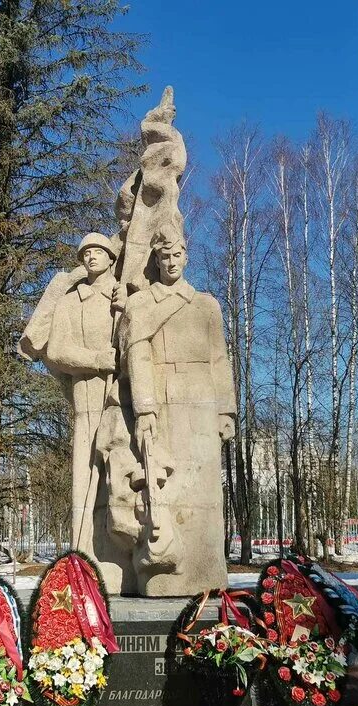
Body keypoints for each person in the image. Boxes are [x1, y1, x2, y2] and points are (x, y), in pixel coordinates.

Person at [119, 224, 236, 596]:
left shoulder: (206, 305)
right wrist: (145, 408)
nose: (171, 262)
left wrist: (226, 411)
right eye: (164, 256)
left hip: (202, 400)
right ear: (155, 259)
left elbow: (219, 358)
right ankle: (163, 575)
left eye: (177, 254)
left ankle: (206, 573)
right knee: (164, 490)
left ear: (186, 256)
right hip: (163, 399)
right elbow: (136, 354)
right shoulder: (141, 303)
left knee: (204, 494)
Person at [44, 232, 130, 591]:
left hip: (123, 399)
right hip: (86, 400)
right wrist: (96, 360)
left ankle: (125, 555)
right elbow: (56, 351)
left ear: (112, 258)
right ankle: (86, 555)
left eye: (98, 251)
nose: (91, 256)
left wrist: (128, 306)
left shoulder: (124, 296)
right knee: (85, 476)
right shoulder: (69, 302)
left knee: (122, 477)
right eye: (86, 253)